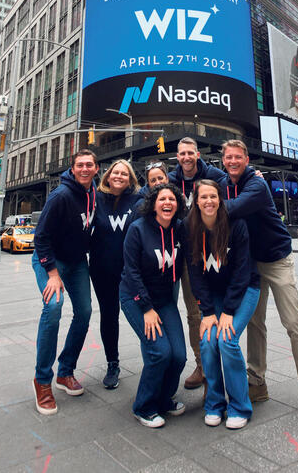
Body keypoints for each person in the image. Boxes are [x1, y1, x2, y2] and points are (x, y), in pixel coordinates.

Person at [220, 139, 298, 415]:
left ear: (246, 159)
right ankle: (257, 382)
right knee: (255, 323)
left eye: (237, 157)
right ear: (223, 160)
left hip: (277, 258)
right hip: (251, 263)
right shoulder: (223, 183)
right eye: (228, 157)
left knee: (293, 322)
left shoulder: (257, 184)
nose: (232, 161)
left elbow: (232, 208)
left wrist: (205, 206)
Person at [186, 180, 260, 429]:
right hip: (214, 295)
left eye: (213, 196)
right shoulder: (190, 228)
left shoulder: (236, 225)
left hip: (244, 290)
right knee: (207, 341)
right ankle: (214, 404)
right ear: (196, 201)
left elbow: (242, 271)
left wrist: (228, 311)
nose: (209, 201)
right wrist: (207, 312)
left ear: (221, 199)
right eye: (203, 197)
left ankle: (240, 406)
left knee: (227, 339)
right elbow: (195, 274)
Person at [32, 149, 99, 415]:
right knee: (54, 308)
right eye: (80, 165)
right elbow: (41, 237)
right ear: (72, 169)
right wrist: (52, 273)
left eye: (89, 165)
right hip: (50, 261)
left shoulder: (94, 193)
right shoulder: (60, 196)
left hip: (77, 261)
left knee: (84, 312)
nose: (84, 169)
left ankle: (66, 371)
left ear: (96, 168)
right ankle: (42, 380)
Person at [120, 184, 187, 428]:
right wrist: (146, 309)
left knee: (179, 355)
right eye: (162, 199)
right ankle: (144, 406)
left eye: (172, 199)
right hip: (136, 298)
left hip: (164, 299)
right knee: (160, 352)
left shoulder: (180, 229)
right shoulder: (138, 229)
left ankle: (163, 398)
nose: (167, 203)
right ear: (153, 204)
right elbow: (131, 271)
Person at [168, 137, 225, 389]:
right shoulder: (171, 180)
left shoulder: (214, 175)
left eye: (190, 153)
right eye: (182, 154)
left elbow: (234, 192)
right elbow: (151, 200)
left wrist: (252, 175)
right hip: (188, 255)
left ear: (198, 154)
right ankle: (202, 366)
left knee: (218, 311)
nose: (186, 157)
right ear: (177, 156)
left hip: (214, 251)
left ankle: (220, 365)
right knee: (195, 314)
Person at [90, 159, 141, 390]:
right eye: (115, 172)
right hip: (102, 271)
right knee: (109, 316)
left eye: (124, 173)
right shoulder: (95, 198)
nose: (119, 176)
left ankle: (155, 360)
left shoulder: (138, 200)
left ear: (130, 179)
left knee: (144, 315)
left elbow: (162, 188)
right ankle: (113, 364)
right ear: (108, 176)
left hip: (131, 273)